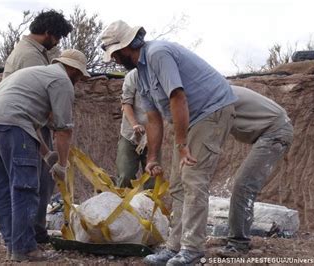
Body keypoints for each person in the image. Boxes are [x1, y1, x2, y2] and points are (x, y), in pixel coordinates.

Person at [101, 20, 238, 265]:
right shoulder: (139, 75)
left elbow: (177, 96)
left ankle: (192, 249)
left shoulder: (158, 54)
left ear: (125, 47)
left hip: (211, 111)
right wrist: (152, 157)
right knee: (177, 184)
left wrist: (182, 143)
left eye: (115, 54)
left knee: (194, 179)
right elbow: (154, 118)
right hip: (190, 118)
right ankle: (175, 247)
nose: (115, 60)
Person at [0, 49, 90, 261]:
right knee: (24, 188)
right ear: (72, 69)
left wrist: (47, 156)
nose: (79, 80)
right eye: (79, 75)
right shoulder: (62, 80)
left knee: (2, 189)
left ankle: (13, 245)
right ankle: (25, 248)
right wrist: (63, 166)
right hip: (12, 127)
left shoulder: (35, 74)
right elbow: (63, 130)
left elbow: (31, 124)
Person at [2, 9, 73, 244]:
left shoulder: (30, 51)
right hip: (26, 123)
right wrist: (59, 160)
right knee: (36, 179)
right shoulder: (30, 57)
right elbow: (35, 99)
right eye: (57, 37)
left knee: (38, 178)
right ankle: (32, 233)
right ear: (48, 32)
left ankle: (25, 234)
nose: (57, 43)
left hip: (22, 121)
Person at [216, 85, 293, 256]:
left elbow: (212, 137)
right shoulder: (218, 91)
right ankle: (235, 236)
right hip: (273, 129)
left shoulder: (215, 97)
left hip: (275, 132)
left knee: (244, 185)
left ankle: (238, 243)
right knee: (243, 185)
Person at [116, 68, 154, 189]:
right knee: (125, 174)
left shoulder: (163, 76)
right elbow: (126, 103)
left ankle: (150, 206)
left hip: (153, 134)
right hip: (130, 133)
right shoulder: (133, 76)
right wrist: (134, 124)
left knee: (152, 176)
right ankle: (123, 204)